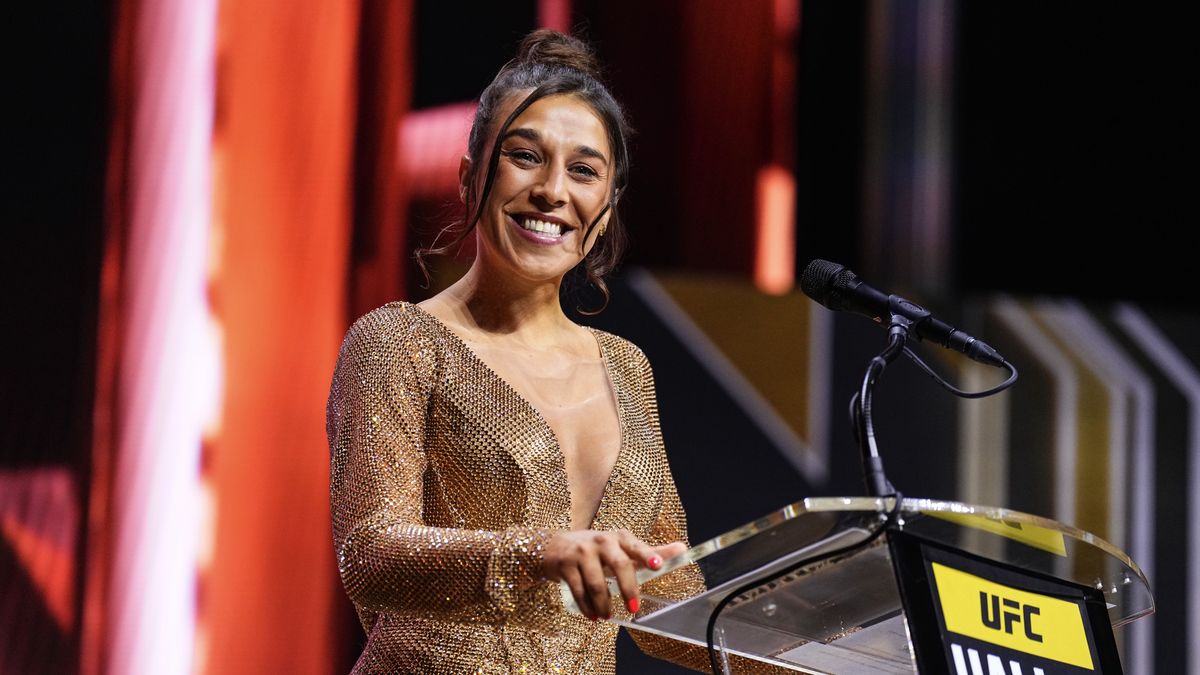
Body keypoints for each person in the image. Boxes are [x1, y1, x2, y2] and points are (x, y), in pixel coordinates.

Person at [327, 29, 752, 673]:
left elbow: (669, 605)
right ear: (472, 177)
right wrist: (535, 553)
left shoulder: (626, 367)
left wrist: (838, 651)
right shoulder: (399, 343)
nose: (553, 190)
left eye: (583, 170)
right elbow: (371, 555)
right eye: (525, 157)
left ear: (604, 210)